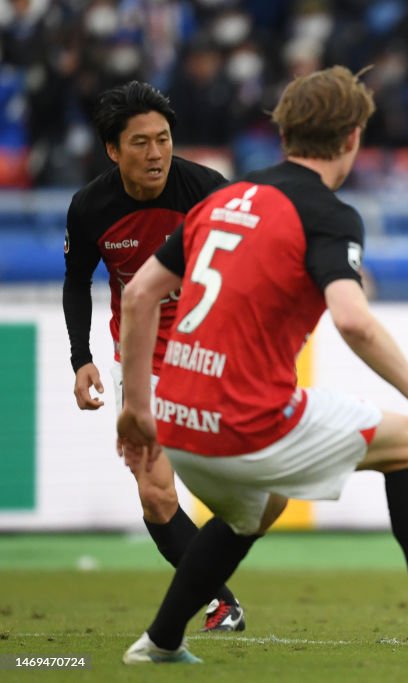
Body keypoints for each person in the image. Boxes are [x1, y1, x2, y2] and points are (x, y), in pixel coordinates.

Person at [115, 65, 408, 664]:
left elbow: (139, 295)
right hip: (241, 419)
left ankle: (160, 641)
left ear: (284, 133)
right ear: (352, 139)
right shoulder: (327, 213)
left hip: (176, 420)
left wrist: (136, 409)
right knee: (407, 441)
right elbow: (352, 320)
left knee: (256, 507)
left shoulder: (224, 198)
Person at [62, 81, 246, 632]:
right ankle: (222, 602)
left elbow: (248, 267)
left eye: (163, 139)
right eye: (140, 142)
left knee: (235, 483)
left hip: (208, 351)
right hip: (141, 359)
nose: (156, 153)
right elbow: (77, 283)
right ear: (113, 151)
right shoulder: (91, 207)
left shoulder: (206, 190)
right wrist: (81, 358)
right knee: (154, 495)